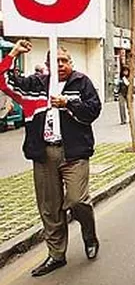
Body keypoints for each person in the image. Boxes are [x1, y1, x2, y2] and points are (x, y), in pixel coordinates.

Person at [0, 40, 102, 277]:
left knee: (77, 200)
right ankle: (56, 254)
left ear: (71, 63)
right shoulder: (34, 85)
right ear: (46, 65)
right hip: (44, 154)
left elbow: (93, 109)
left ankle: (89, 236)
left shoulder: (81, 82)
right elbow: (3, 81)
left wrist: (68, 104)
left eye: (64, 60)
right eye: (55, 61)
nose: (60, 64)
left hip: (74, 153)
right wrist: (13, 53)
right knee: (49, 207)